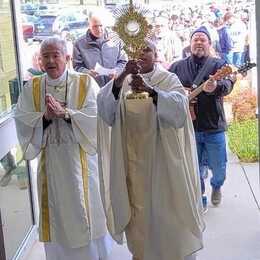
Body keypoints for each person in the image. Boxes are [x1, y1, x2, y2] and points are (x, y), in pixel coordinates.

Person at [97, 40, 204, 260]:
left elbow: (179, 110)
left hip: (163, 163)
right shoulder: (122, 82)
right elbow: (106, 111)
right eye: (135, 49)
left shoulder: (167, 79)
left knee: (168, 216)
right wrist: (120, 79)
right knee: (139, 217)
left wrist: (152, 92)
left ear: (155, 54)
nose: (140, 53)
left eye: (146, 49)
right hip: (133, 164)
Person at [14, 37, 113, 260]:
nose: (50, 60)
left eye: (55, 55)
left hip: (81, 162)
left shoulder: (84, 83)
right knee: (57, 219)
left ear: (67, 57)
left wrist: (67, 114)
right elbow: (21, 119)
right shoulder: (33, 87)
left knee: (86, 215)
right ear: (39, 61)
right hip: (52, 166)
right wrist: (46, 118)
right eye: (45, 56)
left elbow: (97, 118)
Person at [169, 26, 236, 211]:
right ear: (190, 44)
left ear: (209, 44)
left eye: (202, 39)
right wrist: (180, 93)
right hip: (189, 127)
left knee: (220, 168)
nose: (199, 42)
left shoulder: (218, 64)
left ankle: (216, 185)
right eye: (195, 39)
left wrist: (216, 86)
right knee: (194, 169)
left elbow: (229, 83)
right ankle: (201, 198)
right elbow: (166, 86)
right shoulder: (177, 66)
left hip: (214, 125)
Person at [72, 12, 127, 87]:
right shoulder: (79, 44)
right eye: (95, 26)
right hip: (93, 87)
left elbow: (123, 61)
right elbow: (77, 67)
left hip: (115, 85)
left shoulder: (116, 39)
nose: (99, 29)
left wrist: (117, 71)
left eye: (101, 25)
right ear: (89, 26)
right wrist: (88, 73)